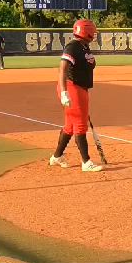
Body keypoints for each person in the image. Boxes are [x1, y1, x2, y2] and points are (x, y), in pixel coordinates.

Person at [48, 19, 104, 172]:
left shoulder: (83, 47)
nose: (94, 34)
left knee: (70, 126)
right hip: (72, 87)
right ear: (86, 31)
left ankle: (57, 157)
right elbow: (63, 69)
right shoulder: (73, 47)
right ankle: (86, 162)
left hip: (80, 88)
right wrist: (64, 92)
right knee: (80, 125)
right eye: (92, 31)